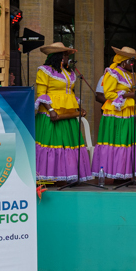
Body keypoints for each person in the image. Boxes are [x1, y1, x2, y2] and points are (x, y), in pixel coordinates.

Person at [91, 46, 136, 183]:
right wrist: (128, 94)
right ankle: (117, 174)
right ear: (123, 61)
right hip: (116, 113)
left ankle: (126, 173)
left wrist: (134, 96)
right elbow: (108, 93)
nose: (133, 64)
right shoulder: (112, 72)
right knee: (118, 142)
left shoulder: (130, 74)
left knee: (128, 142)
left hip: (128, 111)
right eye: (131, 61)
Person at [34, 43, 93, 185]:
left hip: (68, 114)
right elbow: (41, 93)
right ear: (57, 57)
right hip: (52, 113)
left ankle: (67, 175)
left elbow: (70, 93)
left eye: (67, 55)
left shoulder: (69, 72)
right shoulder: (45, 70)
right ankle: (50, 177)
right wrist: (51, 110)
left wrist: (79, 108)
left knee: (69, 145)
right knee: (53, 144)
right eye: (65, 55)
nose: (67, 58)